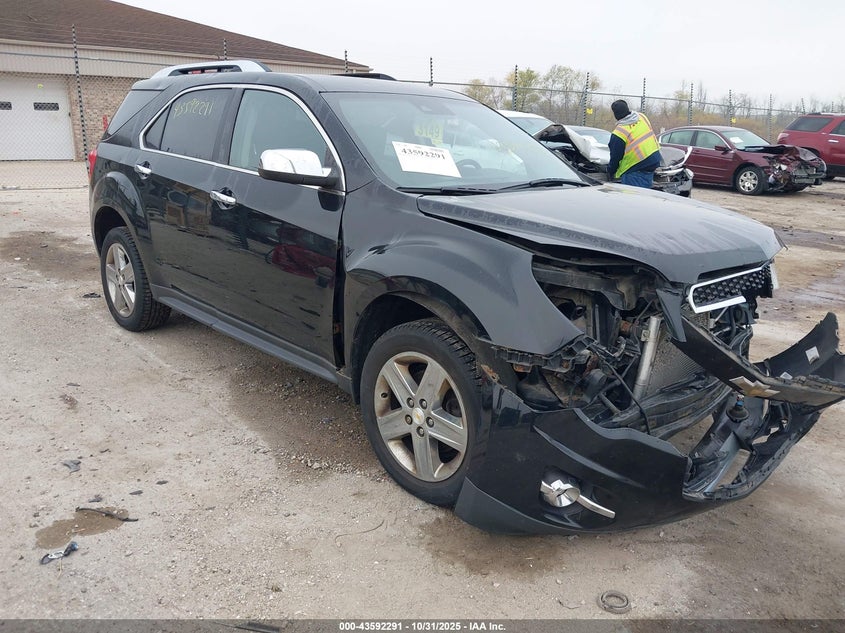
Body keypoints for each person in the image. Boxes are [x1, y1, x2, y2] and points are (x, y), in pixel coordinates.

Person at [606, 99, 661, 188]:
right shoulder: (642, 117)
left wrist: (610, 171)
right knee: (645, 194)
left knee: (633, 198)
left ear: (615, 115)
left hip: (636, 167)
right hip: (653, 159)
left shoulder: (619, 132)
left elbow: (615, 157)